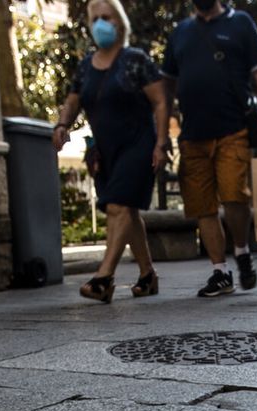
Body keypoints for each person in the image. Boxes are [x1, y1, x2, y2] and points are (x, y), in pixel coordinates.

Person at [161, 0, 257, 297]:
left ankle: (241, 250)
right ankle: (220, 272)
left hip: (233, 130)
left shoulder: (240, 23)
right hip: (192, 136)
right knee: (202, 207)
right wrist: (161, 134)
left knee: (233, 197)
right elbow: (165, 88)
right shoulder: (180, 32)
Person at [52, 0, 168, 302]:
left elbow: (160, 101)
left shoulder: (136, 60)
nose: (101, 24)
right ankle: (147, 275)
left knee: (119, 206)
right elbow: (74, 100)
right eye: (96, 19)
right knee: (126, 210)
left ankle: (104, 278)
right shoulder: (86, 65)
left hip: (138, 143)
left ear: (120, 22)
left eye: (107, 17)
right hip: (105, 150)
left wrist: (161, 142)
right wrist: (62, 125)